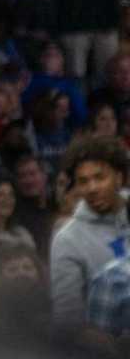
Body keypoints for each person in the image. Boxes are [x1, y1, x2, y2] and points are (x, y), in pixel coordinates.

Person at [50, 136, 130, 328]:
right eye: (83, 181)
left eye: (100, 177)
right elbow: (68, 320)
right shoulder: (67, 239)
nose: (92, 188)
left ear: (119, 178)